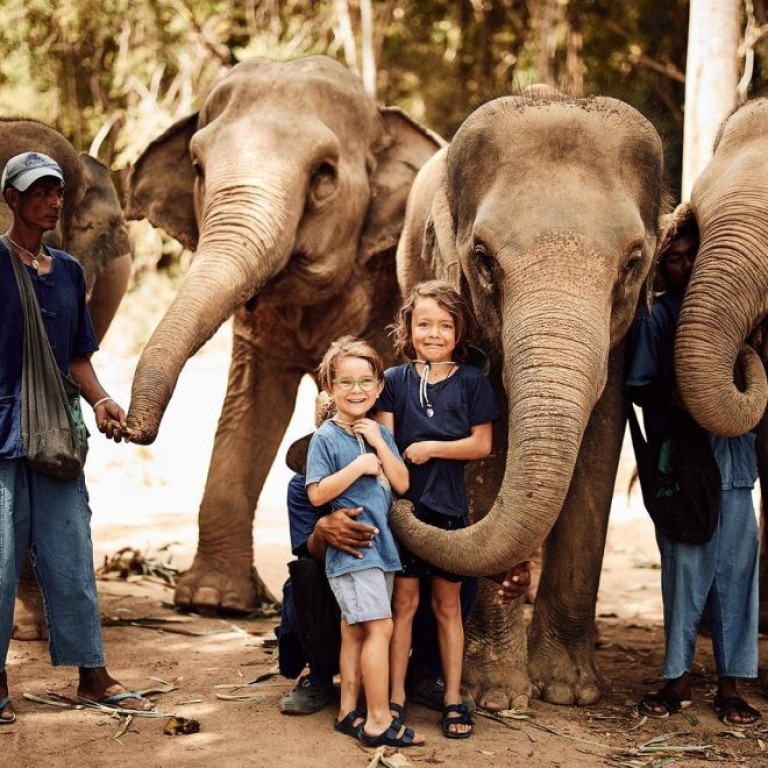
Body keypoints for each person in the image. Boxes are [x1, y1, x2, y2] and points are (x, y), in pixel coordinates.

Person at [0, 151, 153, 725]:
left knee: (71, 555)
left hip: (58, 435)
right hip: (2, 432)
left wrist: (104, 401)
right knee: (0, 560)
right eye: (38, 192)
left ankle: (92, 676)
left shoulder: (66, 270)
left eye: (57, 192)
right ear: (11, 200)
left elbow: (76, 356)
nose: (51, 202)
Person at [626, 216, 761, 727]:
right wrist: (681, 399)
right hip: (682, 467)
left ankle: (731, 685)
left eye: (690, 254)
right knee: (684, 572)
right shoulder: (660, 316)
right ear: (661, 268)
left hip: (734, 463)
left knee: (736, 577)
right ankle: (677, 678)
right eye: (673, 258)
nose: (683, 265)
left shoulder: (741, 315)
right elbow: (637, 386)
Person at [376, 279, 500, 740]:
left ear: (458, 330)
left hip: (448, 511)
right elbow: (387, 444)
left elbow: (482, 444)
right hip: (404, 512)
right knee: (403, 604)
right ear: (408, 328)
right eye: (423, 323)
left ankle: (452, 698)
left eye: (444, 325)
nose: (433, 333)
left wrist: (430, 448)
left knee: (448, 606)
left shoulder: (471, 382)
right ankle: (395, 698)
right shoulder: (393, 382)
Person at [306, 336, 424, 747]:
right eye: (345, 382)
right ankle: (377, 720)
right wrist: (358, 466)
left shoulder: (378, 433)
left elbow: (403, 484)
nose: (356, 391)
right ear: (329, 388)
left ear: (378, 388)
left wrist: (377, 443)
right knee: (380, 627)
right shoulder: (326, 437)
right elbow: (317, 494)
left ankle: (346, 712)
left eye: (365, 382)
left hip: (381, 550)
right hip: (353, 551)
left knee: (355, 631)